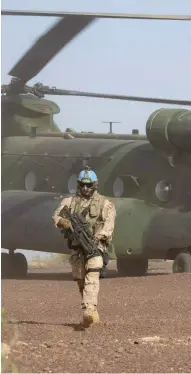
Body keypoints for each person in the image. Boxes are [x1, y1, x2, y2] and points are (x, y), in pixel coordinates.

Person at [52, 166, 116, 328]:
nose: (86, 188)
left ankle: (89, 309)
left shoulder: (105, 204)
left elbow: (109, 225)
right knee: (81, 281)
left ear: (95, 185)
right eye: (83, 185)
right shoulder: (69, 202)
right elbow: (56, 217)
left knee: (92, 276)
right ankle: (92, 312)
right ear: (79, 185)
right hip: (76, 248)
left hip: (95, 247)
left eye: (89, 185)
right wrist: (64, 222)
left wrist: (99, 237)